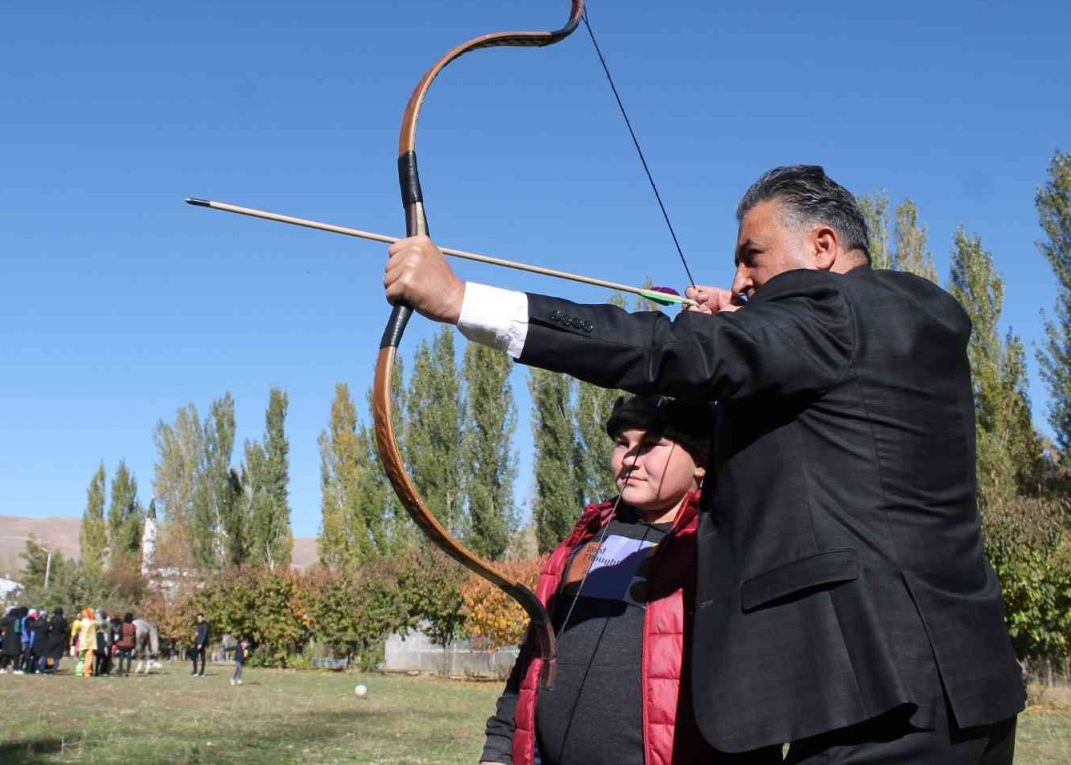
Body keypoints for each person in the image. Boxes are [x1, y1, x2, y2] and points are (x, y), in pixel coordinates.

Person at [386, 164, 1025, 762]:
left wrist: (461, 300)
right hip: (941, 688)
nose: (742, 281)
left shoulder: (841, 311)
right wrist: (752, 335)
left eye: (753, 258)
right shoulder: (889, 326)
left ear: (823, 247)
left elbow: (667, 349)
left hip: (886, 697)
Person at [482, 395, 727, 765]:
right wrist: (499, 748)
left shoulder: (714, 547)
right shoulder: (581, 541)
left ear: (701, 463)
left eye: (651, 445)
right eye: (622, 444)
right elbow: (535, 657)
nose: (630, 459)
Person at [77, 608, 98, 678]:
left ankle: (81, 670)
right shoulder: (94, 622)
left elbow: (78, 628)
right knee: (89, 657)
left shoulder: (82, 622)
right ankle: (86, 671)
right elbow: (98, 626)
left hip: (83, 641)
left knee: (82, 657)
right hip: (91, 642)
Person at [116, 613, 136, 677]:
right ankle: (127, 672)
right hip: (130, 643)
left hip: (122, 643)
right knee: (129, 658)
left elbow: (119, 633)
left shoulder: (122, 625)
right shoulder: (133, 626)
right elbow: (134, 635)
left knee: (121, 658)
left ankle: (120, 671)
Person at [192, 613, 209, 678]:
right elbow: (198, 633)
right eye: (198, 618)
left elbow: (204, 635)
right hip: (197, 642)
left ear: (203, 618)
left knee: (202, 658)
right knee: (194, 657)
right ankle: (195, 671)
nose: (198, 619)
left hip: (202, 643)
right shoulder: (198, 625)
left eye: (200, 618)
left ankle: (202, 672)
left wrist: (201, 644)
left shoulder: (205, 625)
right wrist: (196, 634)